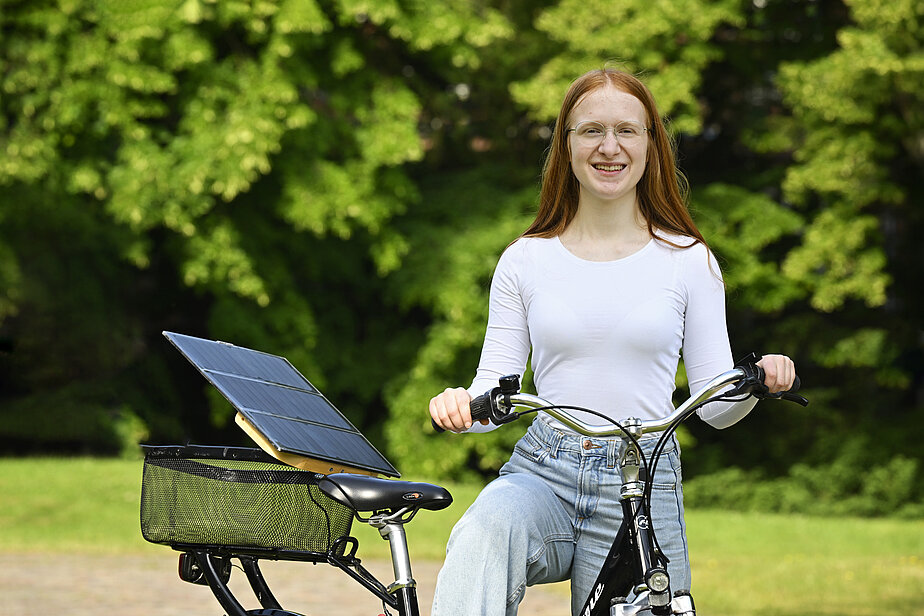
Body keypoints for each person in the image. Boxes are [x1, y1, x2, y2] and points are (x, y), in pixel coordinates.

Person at [427, 68, 797, 616]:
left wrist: (759, 382)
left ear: (650, 143)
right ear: (566, 144)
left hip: (644, 477)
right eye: (591, 130)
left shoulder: (689, 261)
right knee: (485, 530)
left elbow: (715, 405)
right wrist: (461, 406)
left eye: (626, 130)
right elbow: (493, 394)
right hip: (544, 470)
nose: (609, 147)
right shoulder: (525, 260)